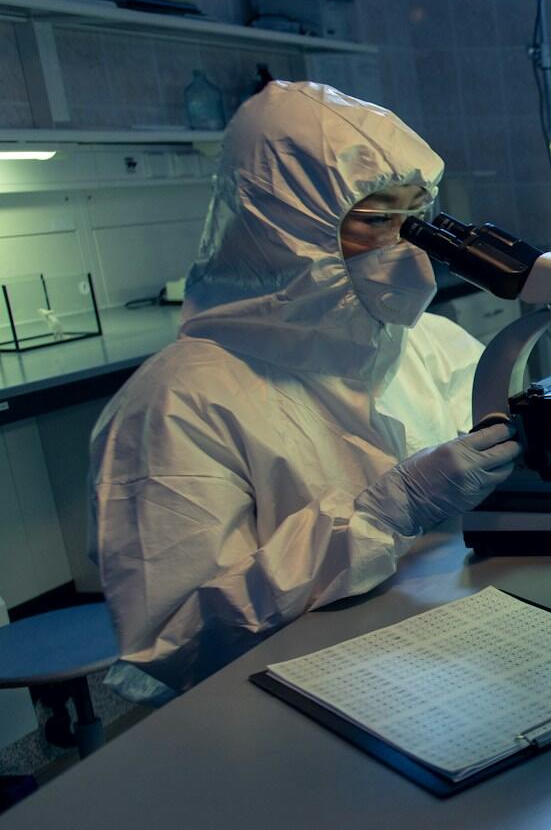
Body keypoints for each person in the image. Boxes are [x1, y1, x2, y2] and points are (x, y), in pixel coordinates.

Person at [90, 83, 522, 703]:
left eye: (416, 218)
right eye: (377, 221)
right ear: (288, 229)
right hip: (283, 705)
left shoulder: (433, 345)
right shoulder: (177, 404)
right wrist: (378, 517)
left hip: (446, 659)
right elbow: (178, 644)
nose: (409, 248)